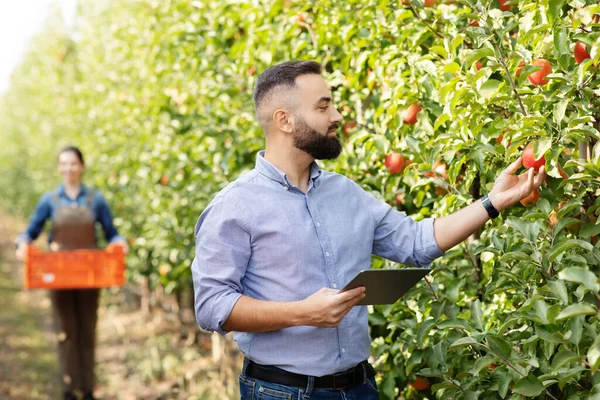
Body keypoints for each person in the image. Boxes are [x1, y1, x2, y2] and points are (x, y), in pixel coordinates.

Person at [191, 60, 545, 399]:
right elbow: (212, 306)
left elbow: (417, 241)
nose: (337, 116)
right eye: (323, 107)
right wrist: (302, 312)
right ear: (284, 120)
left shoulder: (346, 193)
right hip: (283, 391)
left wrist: (492, 202)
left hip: (359, 386)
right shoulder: (235, 206)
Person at [15, 146, 128, 400]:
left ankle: (87, 389)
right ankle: (69, 387)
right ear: (59, 168)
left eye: (73, 163)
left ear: (82, 167)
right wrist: (22, 244)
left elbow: (112, 233)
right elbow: (30, 232)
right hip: (59, 275)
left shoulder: (95, 199)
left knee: (87, 329)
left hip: (90, 275)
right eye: (64, 164)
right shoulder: (50, 200)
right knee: (65, 331)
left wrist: (120, 242)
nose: (69, 169)